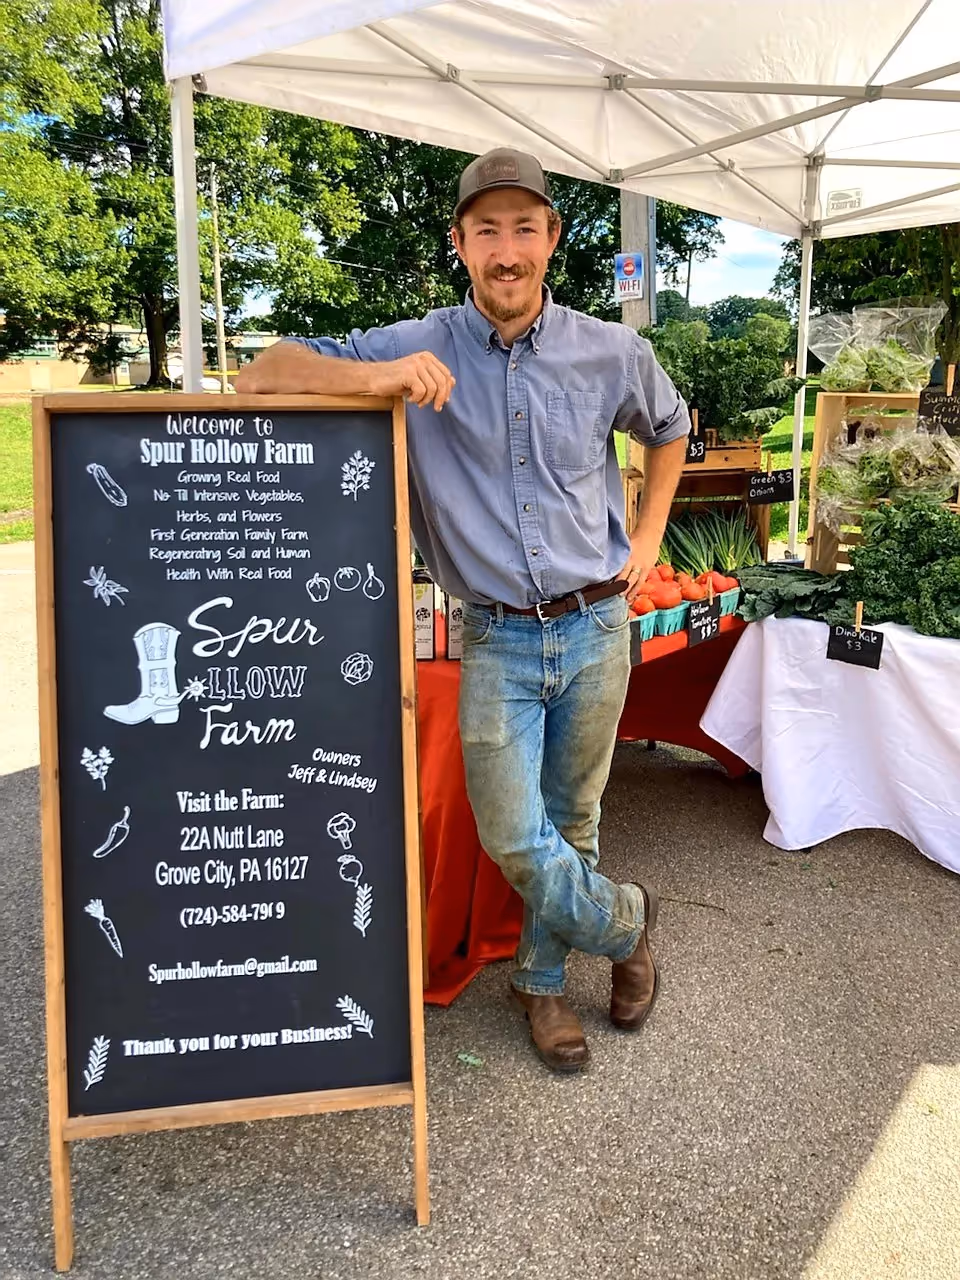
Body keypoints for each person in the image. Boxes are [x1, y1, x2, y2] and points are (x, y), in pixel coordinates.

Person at [236, 147, 691, 1072]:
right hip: (493, 635)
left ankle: (541, 984)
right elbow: (259, 373)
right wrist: (379, 380)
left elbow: (672, 427)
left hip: (599, 623)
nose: (507, 248)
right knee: (510, 832)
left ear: (553, 240)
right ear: (460, 244)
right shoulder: (415, 343)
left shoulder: (611, 350)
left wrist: (646, 543)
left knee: (574, 820)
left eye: (525, 227)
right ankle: (628, 922)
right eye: (488, 230)